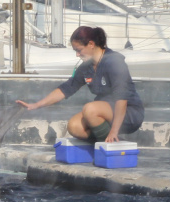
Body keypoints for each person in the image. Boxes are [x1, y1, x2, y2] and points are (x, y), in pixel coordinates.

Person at [16, 26, 144, 143]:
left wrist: (114, 131)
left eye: (79, 50)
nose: (77, 55)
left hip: (129, 114)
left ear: (91, 44)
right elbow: (67, 88)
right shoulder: (86, 67)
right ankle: (108, 141)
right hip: (105, 112)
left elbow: (122, 99)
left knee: (90, 109)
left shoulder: (114, 62)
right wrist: (36, 105)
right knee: (74, 126)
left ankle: (111, 145)